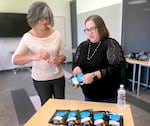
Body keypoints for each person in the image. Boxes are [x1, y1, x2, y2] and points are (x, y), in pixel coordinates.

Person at [12, 1, 66, 105]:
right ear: (34, 18)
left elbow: (63, 55)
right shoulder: (28, 37)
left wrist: (59, 59)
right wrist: (34, 56)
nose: (45, 22)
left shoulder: (57, 34)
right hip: (40, 79)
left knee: (61, 106)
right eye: (41, 18)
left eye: (47, 18)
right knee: (46, 107)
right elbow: (15, 60)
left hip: (58, 77)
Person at [72, 15, 125, 103]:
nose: (90, 33)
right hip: (88, 96)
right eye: (87, 30)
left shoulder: (110, 44)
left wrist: (95, 75)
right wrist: (76, 69)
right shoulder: (83, 46)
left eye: (93, 29)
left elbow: (116, 67)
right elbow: (75, 63)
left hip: (108, 97)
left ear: (101, 28)